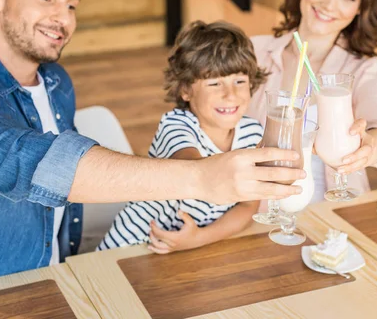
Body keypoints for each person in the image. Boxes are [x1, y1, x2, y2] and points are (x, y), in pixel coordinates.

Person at [0, 0, 304, 288]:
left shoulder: (54, 81)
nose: (63, 18)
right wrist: (202, 177)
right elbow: (34, 164)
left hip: (54, 274)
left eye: (71, 5)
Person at [247, 0, 377, 202]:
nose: (330, 4)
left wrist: (372, 145)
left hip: (334, 216)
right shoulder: (254, 52)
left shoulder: (365, 70)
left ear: (359, 9)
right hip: (254, 213)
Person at [99, 21, 268, 253]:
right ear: (186, 90)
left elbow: (248, 206)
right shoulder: (176, 125)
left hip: (194, 248)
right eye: (215, 83)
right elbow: (191, 165)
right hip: (136, 242)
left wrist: (200, 238)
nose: (230, 95)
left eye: (240, 81)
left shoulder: (252, 133)